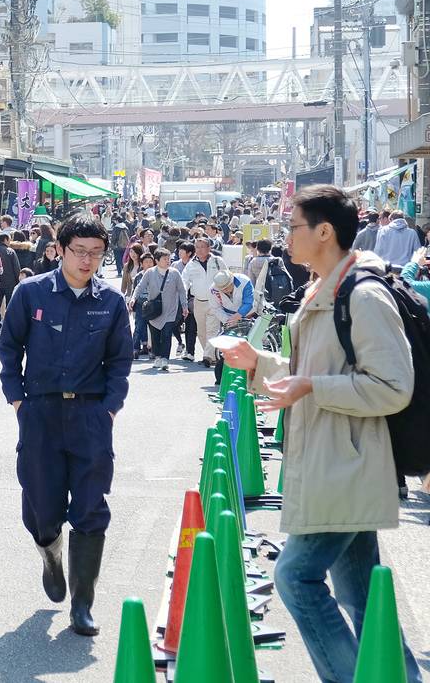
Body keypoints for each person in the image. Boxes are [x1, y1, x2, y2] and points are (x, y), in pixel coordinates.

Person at [221, 185, 421, 683]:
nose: (284, 236)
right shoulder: (325, 290)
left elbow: (394, 386)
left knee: (294, 577)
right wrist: (261, 364)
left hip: (346, 464)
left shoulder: (363, 294)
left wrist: (311, 385)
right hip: (331, 461)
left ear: (325, 231)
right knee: (362, 597)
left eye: (292, 227)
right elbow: (313, 371)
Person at [0, 213, 132, 638]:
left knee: (92, 509)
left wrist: (110, 409)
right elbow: (8, 348)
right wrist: (18, 401)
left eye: (96, 253)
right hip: (40, 415)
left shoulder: (111, 301)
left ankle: (83, 603)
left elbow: (120, 361)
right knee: (41, 506)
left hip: (91, 416)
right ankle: (50, 551)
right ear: (60, 248)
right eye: (79, 251)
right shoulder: (31, 293)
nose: (87, 260)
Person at [133, 251, 185, 370]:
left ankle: (165, 359)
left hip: (170, 310)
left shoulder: (175, 273)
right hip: (154, 310)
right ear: (157, 261)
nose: (168, 261)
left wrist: (185, 306)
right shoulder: (150, 273)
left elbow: (182, 290)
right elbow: (140, 286)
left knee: (167, 334)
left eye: (169, 259)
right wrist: (133, 298)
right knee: (155, 335)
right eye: (165, 259)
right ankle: (157, 357)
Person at [179, 237, 226, 366]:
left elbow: (227, 277)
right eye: (197, 247)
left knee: (212, 330)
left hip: (215, 301)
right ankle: (212, 355)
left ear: (209, 248)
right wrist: (182, 299)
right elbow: (185, 281)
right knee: (201, 332)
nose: (199, 250)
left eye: (202, 247)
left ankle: (207, 356)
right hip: (198, 301)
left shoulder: (217, 261)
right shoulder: (191, 264)